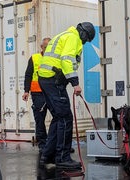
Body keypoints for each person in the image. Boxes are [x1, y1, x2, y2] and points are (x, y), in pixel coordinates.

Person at [38, 22, 95, 169]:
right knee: (65, 117)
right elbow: (66, 59)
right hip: (53, 79)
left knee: (58, 117)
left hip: (46, 79)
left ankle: (47, 155)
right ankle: (63, 157)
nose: (84, 42)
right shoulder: (73, 38)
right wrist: (75, 83)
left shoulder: (63, 35)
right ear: (83, 34)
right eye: (86, 39)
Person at [22, 38, 51, 153]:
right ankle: (43, 145)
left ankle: (57, 144)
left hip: (51, 92)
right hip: (38, 93)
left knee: (59, 118)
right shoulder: (34, 58)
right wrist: (26, 91)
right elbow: (28, 75)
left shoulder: (55, 58)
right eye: (45, 47)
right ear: (41, 47)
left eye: (49, 47)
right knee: (39, 119)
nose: (47, 49)